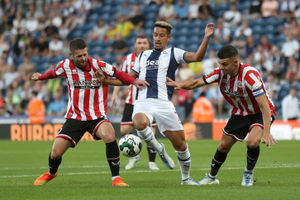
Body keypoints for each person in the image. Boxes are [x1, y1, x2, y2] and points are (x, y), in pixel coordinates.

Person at [96, 21, 215, 185]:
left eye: (161, 35)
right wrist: (106, 81)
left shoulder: (174, 53)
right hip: (143, 101)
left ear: (168, 37)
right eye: (155, 35)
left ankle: (185, 178)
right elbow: (128, 78)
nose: (157, 38)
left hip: (164, 103)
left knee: (181, 145)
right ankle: (159, 148)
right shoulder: (143, 55)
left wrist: (207, 38)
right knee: (139, 122)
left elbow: (197, 57)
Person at [31, 38, 149, 187]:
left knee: (110, 135)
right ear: (72, 55)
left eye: (85, 54)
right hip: (75, 117)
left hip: (97, 116)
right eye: (79, 56)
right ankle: (52, 173)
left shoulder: (98, 65)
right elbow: (53, 73)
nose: (83, 58)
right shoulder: (65, 66)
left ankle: (116, 179)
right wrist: (40, 77)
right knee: (55, 153)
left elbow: (119, 74)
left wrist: (134, 81)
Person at [166, 45, 277, 187]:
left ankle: (248, 173)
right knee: (223, 145)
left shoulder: (250, 76)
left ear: (235, 62)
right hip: (239, 113)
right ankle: (212, 176)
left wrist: (267, 132)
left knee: (252, 142)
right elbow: (197, 82)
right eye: (220, 64)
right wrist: (179, 85)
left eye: (225, 64)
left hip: (259, 113)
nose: (221, 67)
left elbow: (265, 106)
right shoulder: (220, 73)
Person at [110, 34, 159, 171]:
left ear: (148, 45)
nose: (142, 45)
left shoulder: (156, 58)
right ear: (135, 45)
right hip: (131, 100)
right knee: (125, 129)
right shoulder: (128, 60)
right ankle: (133, 155)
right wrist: (114, 94)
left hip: (149, 101)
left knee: (151, 131)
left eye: (144, 42)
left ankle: (152, 162)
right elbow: (120, 77)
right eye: (139, 43)